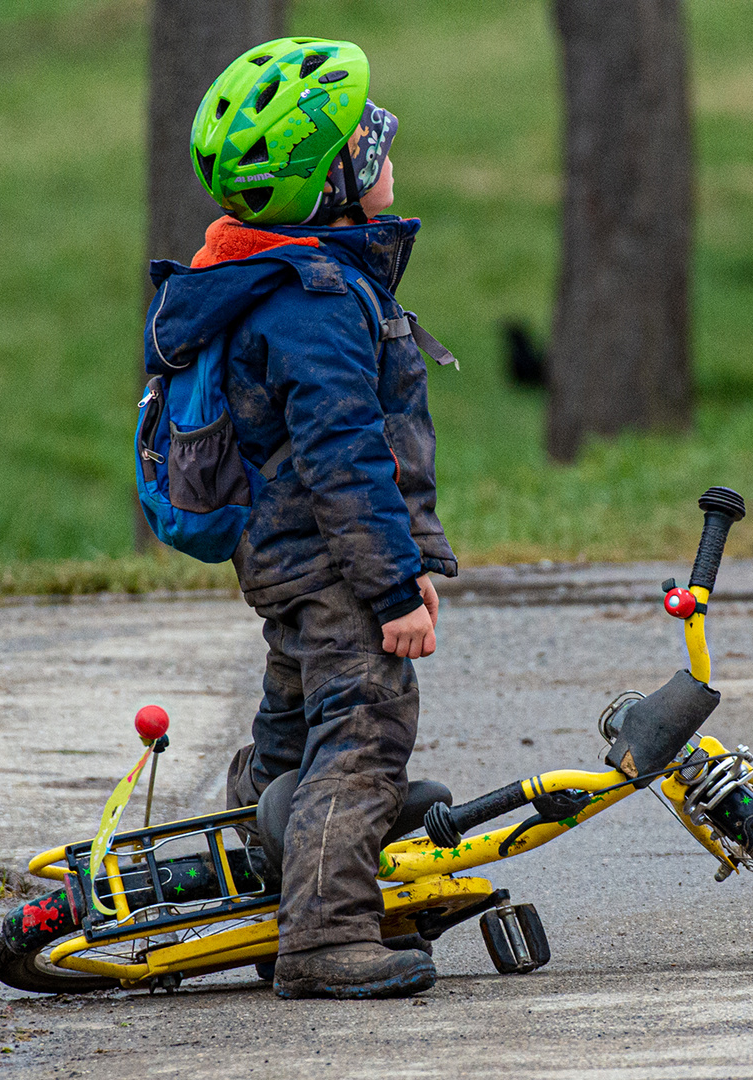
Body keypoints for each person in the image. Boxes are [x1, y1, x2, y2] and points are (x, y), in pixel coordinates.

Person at [147, 38, 456, 999]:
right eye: (369, 145)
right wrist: (395, 585)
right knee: (363, 736)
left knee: (292, 727)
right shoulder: (316, 304)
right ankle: (325, 933)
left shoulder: (262, 281)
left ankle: (260, 851)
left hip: (281, 557)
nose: (386, 155)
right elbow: (347, 463)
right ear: (327, 185)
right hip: (333, 564)